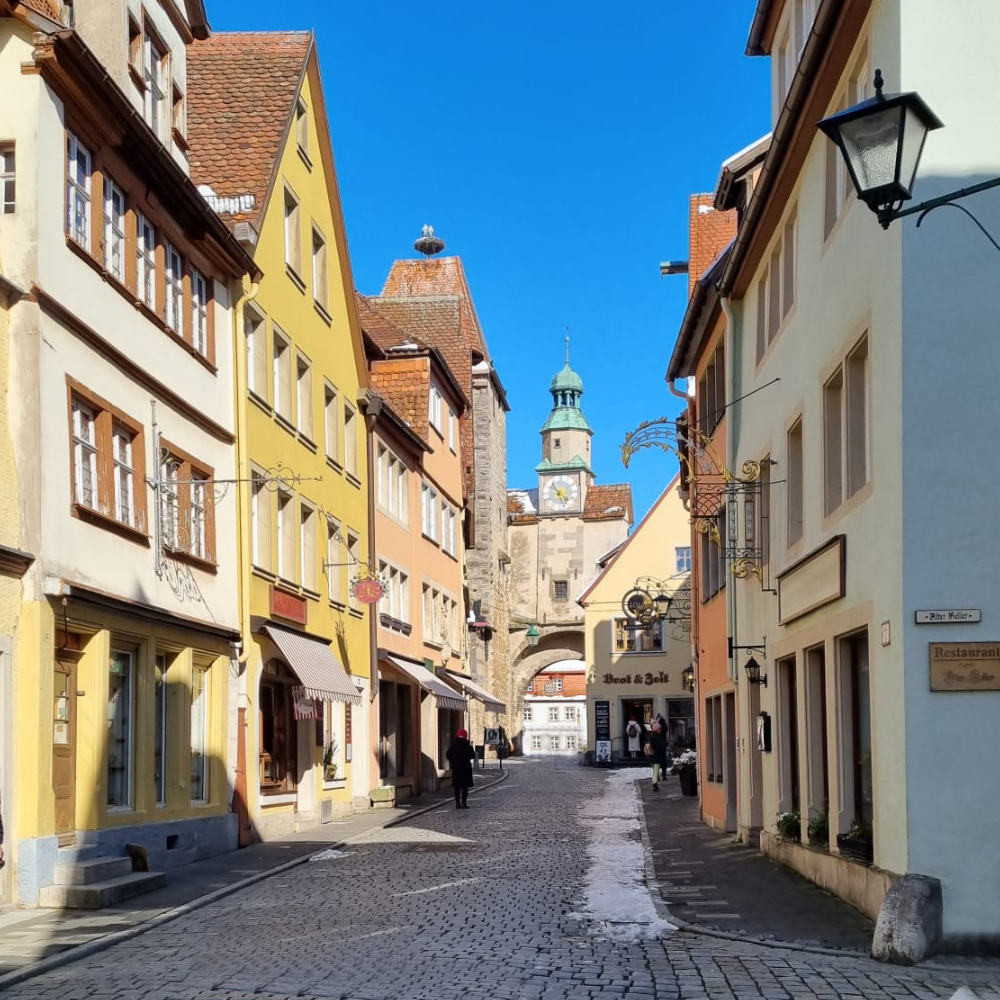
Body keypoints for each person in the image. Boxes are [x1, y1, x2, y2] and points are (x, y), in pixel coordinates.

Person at [445, 729, 476, 809]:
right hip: (465, 769)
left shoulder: (454, 744)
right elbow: (472, 755)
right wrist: (471, 748)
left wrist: (454, 760)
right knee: (465, 787)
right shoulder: (467, 745)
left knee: (457, 787)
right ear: (465, 736)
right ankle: (464, 803)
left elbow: (448, 754)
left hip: (457, 768)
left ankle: (457, 804)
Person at [649, 721, 669, 791]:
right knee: (655, 771)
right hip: (657, 756)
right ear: (656, 729)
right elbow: (660, 747)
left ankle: (655, 783)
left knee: (654, 770)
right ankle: (654, 785)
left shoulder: (651, 736)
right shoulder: (658, 737)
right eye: (659, 729)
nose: (660, 730)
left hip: (651, 756)